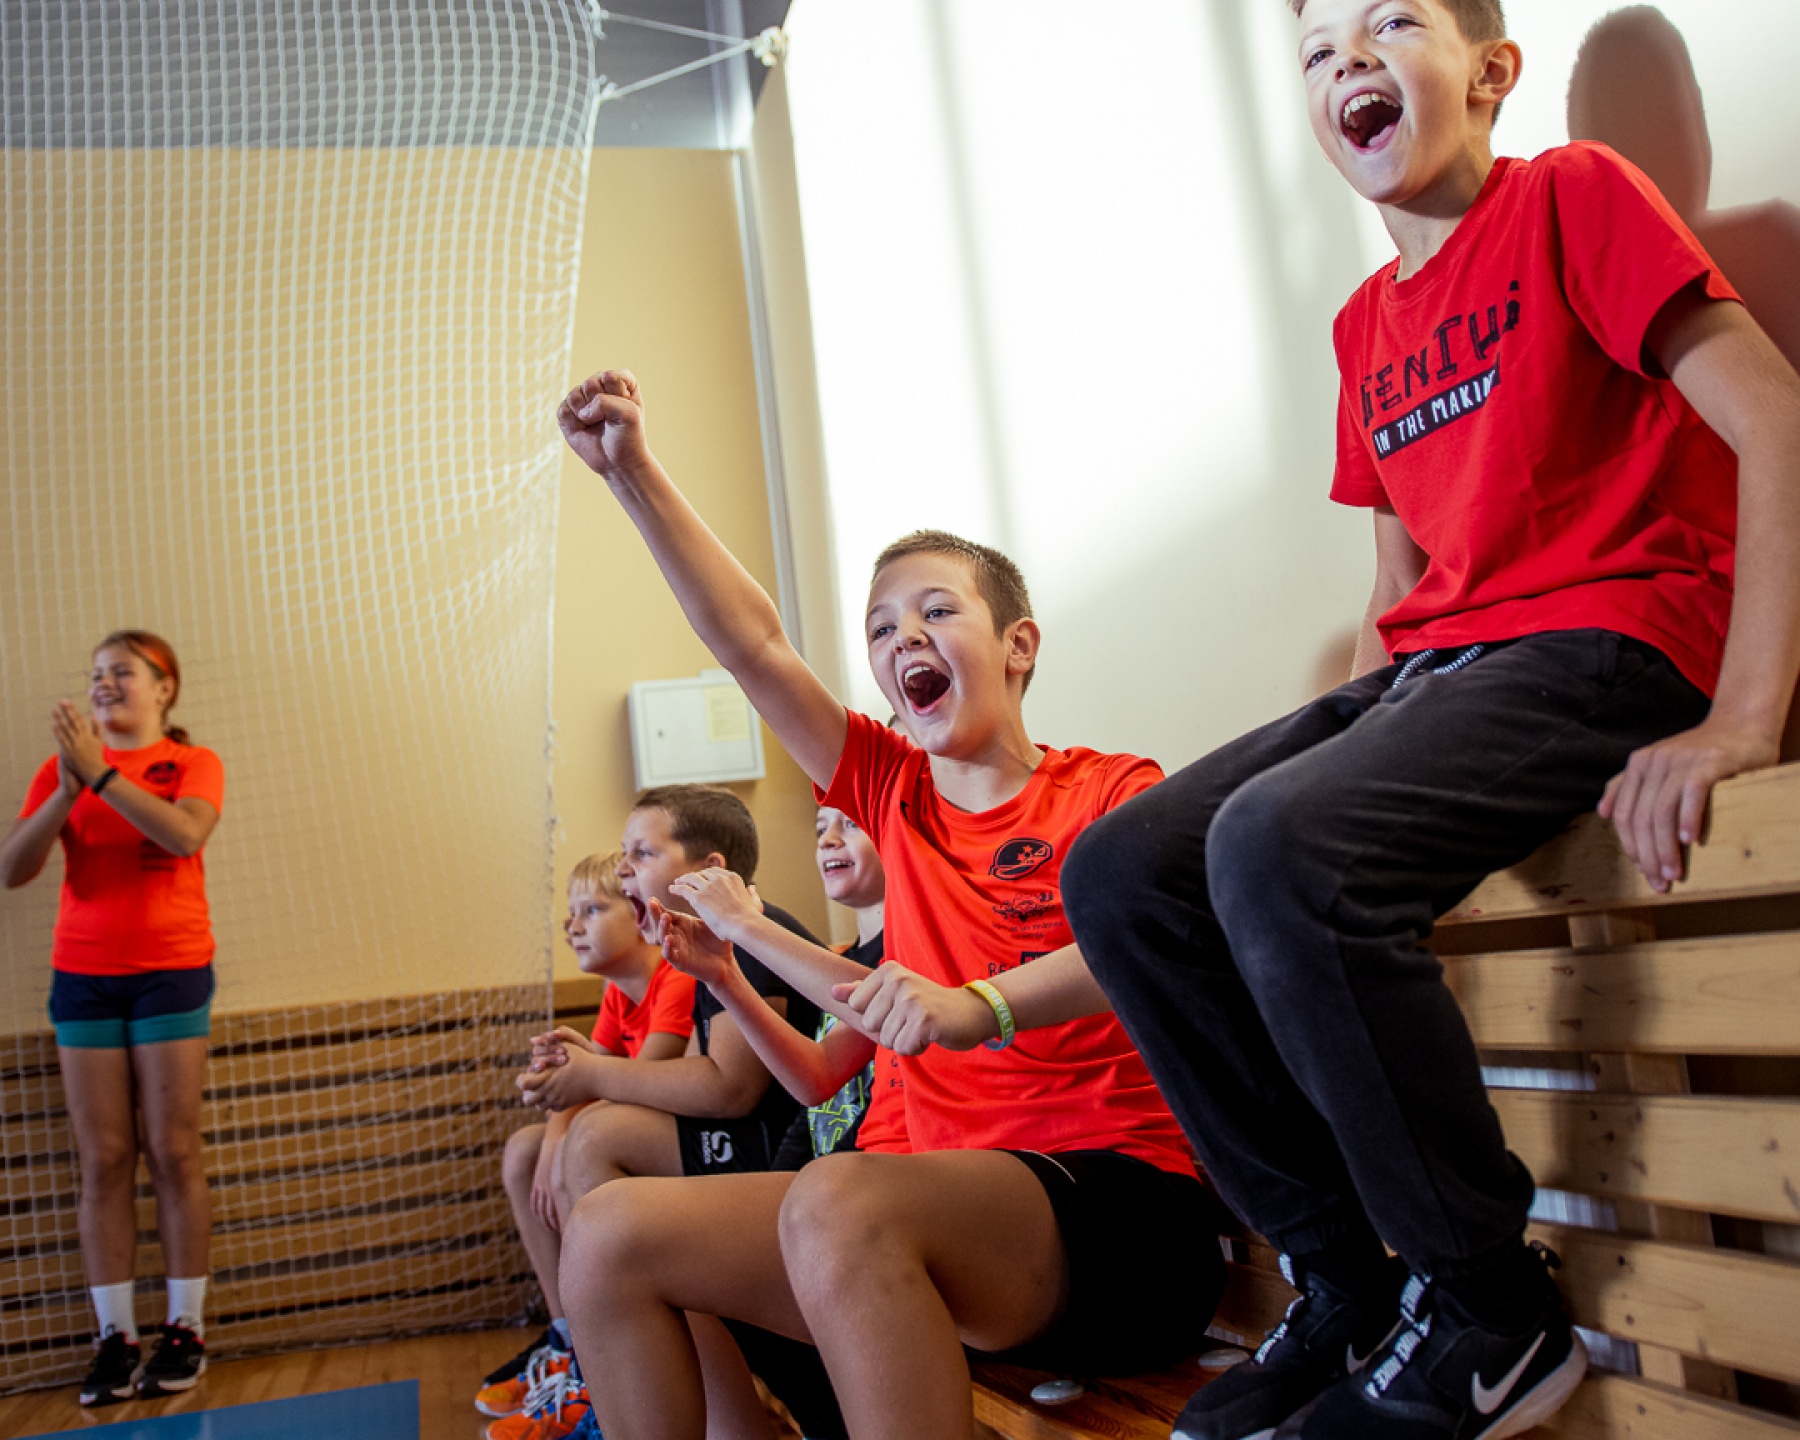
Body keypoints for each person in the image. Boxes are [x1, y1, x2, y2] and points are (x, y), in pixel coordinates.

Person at [1057, 3, 1800, 1438]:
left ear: (1491, 72)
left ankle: (1488, 1310)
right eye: (1317, 49)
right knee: (1126, 869)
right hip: (1442, 671)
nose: (1348, 58)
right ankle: (1347, 1283)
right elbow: (1400, 598)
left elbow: (1776, 418)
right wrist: (1312, 774)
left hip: (1605, 640)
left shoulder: (1573, 194)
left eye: (1391, 20)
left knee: (1279, 846)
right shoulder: (1365, 325)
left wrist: (1743, 716)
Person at [553, 370, 1224, 1440]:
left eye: (936, 610)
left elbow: (1143, 947)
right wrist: (630, 471)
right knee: (608, 1232)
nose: (903, 635)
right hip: (911, 1214)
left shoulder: (1110, 790)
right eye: (880, 628)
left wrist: (980, 1005)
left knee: (841, 1193)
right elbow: (753, 647)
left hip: (1119, 1208)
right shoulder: (888, 789)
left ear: (1019, 645)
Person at [501, 785, 825, 1440]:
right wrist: (579, 1074)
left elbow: (729, 1090)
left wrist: (592, 1074)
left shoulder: (750, 936)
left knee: (602, 1145)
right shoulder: (704, 944)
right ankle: (622, 1368)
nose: (624, 869)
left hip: (797, 1156)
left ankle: (719, 1419)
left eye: (642, 854)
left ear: (708, 870)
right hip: (763, 1143)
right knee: (597, 1155)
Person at [1, 632, 224, 1407]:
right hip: (84, 981)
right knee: (102, 1160)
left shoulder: (192, 762)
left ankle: (185, 1330)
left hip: (170, 974)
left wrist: (100, 774)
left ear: (164, 688)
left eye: (121, 672)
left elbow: (184, 833)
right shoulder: (61, 772)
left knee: (173, 1149)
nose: (104, 684)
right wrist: (68, 789)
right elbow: (12, 868)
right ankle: (114, 1338)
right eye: (96, 673)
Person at [476, 850, 697, 1423]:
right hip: (632, 1129)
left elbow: (637, 1086)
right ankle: (568, 1339)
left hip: (683, 1147)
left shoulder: (674, 980)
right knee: (525, 1151)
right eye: (570, 914)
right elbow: (587, 1078)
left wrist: (573, 1114)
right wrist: (553, 1138)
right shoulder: (620, 993)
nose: (572, 926)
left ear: (640, 916)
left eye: (592, 910)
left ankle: (601, 1364)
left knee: (589, 1139)